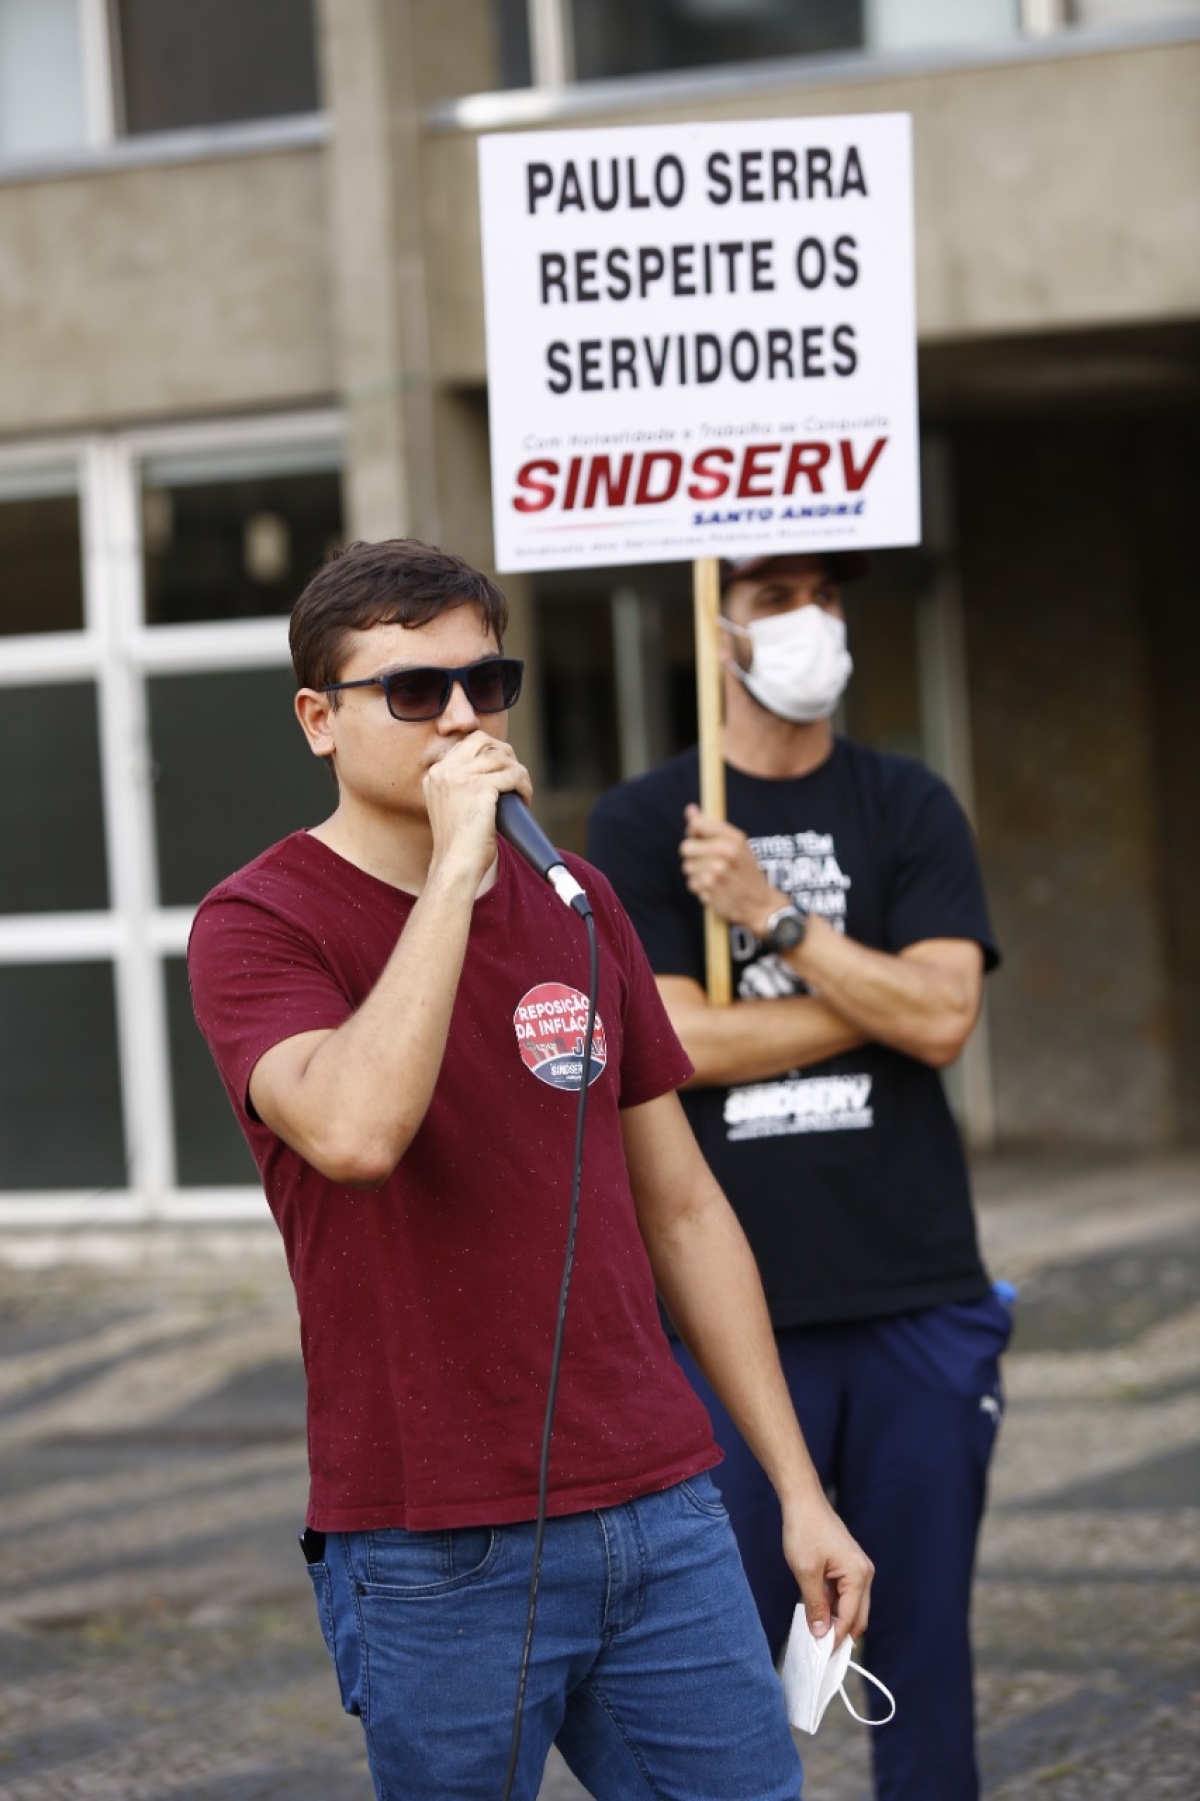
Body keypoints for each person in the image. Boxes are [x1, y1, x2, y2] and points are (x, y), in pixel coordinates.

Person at [187, 537, 873, 1801]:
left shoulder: (575, 899)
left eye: (486, 683)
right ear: (319, 721)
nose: (461, 717)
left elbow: (682, 1208)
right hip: (437, 1538)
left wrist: (796, 1486)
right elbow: (354, 1133)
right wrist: (455, 870)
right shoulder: (260, 921)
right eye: (413, 690)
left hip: (660, 1503)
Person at [587, 552, 1008, 1801]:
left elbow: (949, 1018)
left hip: (916, 1296)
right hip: (728, 1320)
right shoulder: (645, 822)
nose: (810, 619)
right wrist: (882, 1000)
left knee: (922, 1658)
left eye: (826, 594)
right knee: (719, 1665)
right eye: (774, 597)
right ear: (716, 628)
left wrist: (775, 918)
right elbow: (678, 1042)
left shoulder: (908, 801)